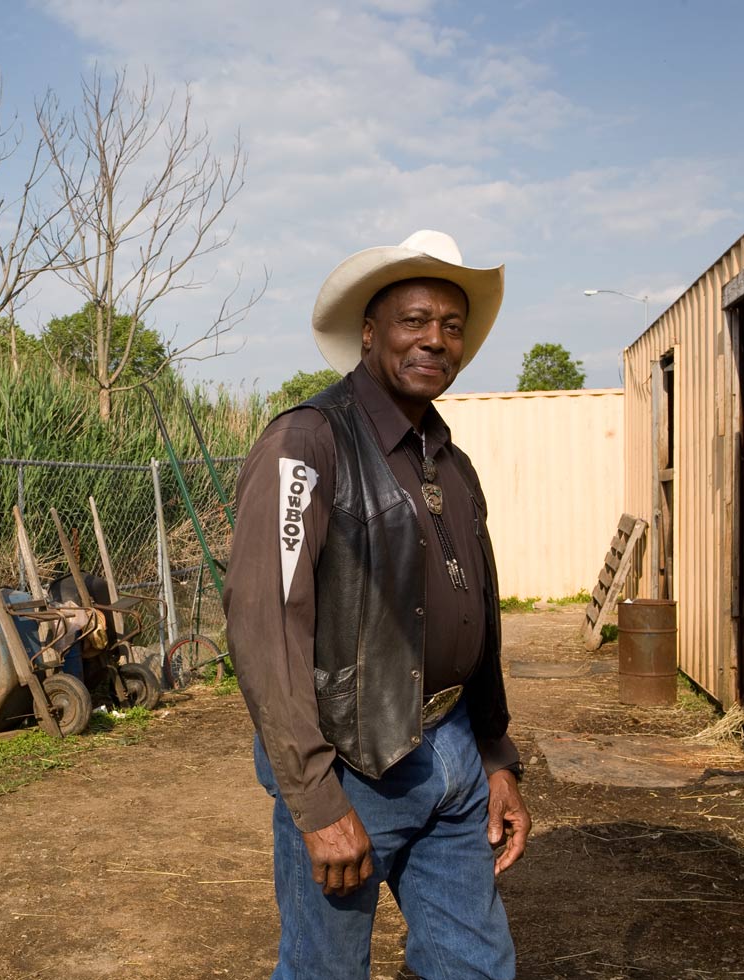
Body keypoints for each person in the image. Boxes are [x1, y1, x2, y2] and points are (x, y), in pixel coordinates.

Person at [224, 230, 531, 980]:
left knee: (477, 967)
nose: (436, 340)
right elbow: (268, 628)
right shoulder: (307, 442)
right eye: (414, 320)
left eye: (452, 326)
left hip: (454, 757)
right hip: (353, 765)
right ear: (369, 332)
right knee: (324, 971)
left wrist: (495, 756)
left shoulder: (450, 463)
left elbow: (477, 617)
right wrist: (316, 798)